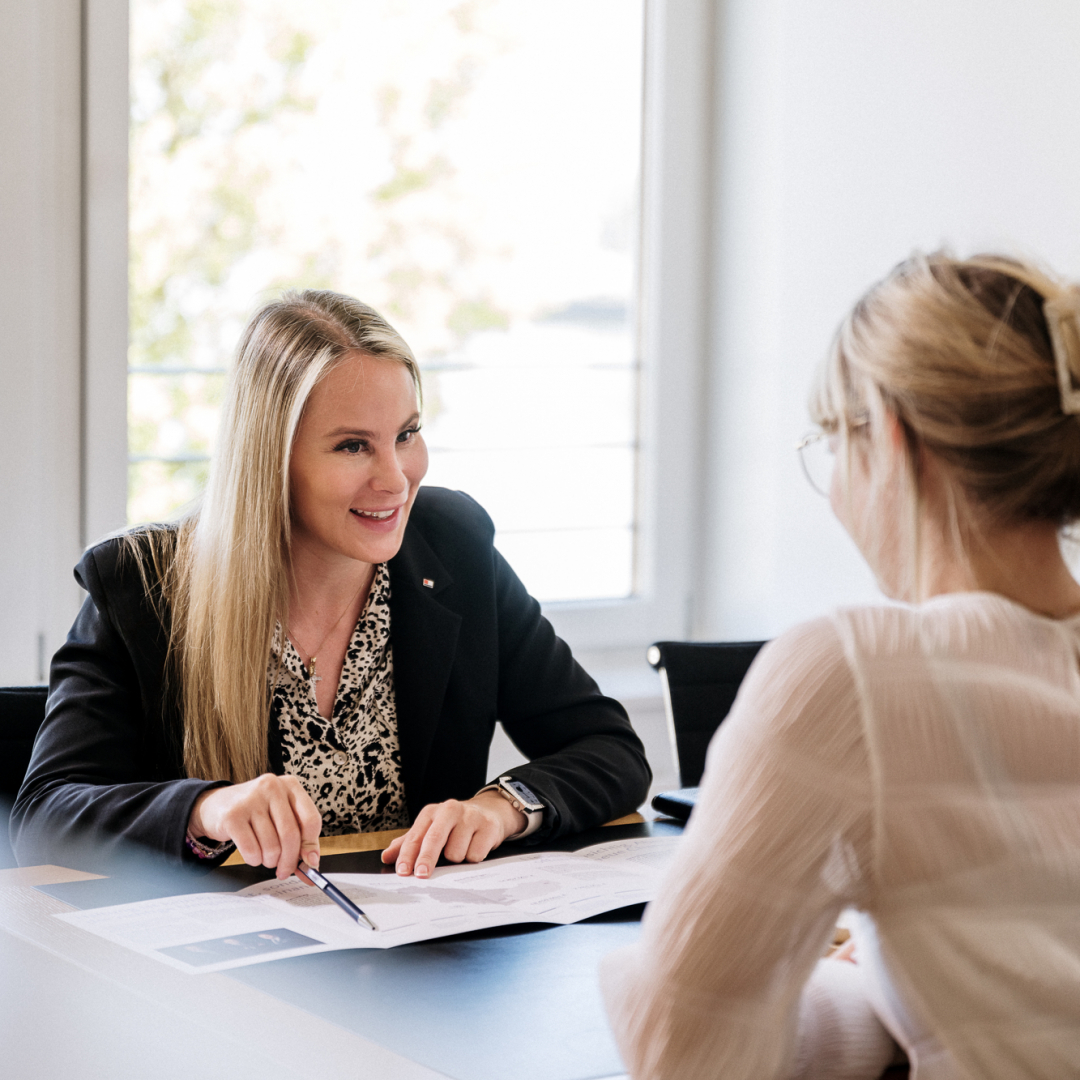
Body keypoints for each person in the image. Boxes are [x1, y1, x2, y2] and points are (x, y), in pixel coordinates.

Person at [601, 252, 1080, 1078]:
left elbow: (680, 1048)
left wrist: (838, 993)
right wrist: (902, 991)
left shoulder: (858, 673)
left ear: (890, 439)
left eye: (832, 442)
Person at [12, 290, 650, 878]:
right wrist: (207, 808)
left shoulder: (452, 545)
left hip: (421, 961)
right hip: (222, 981)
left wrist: (500, 807)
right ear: (271, 459)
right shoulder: (144, 585)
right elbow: (45, 817)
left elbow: (610, 750)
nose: (396, 479)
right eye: (352, 446)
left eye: (406, 435)